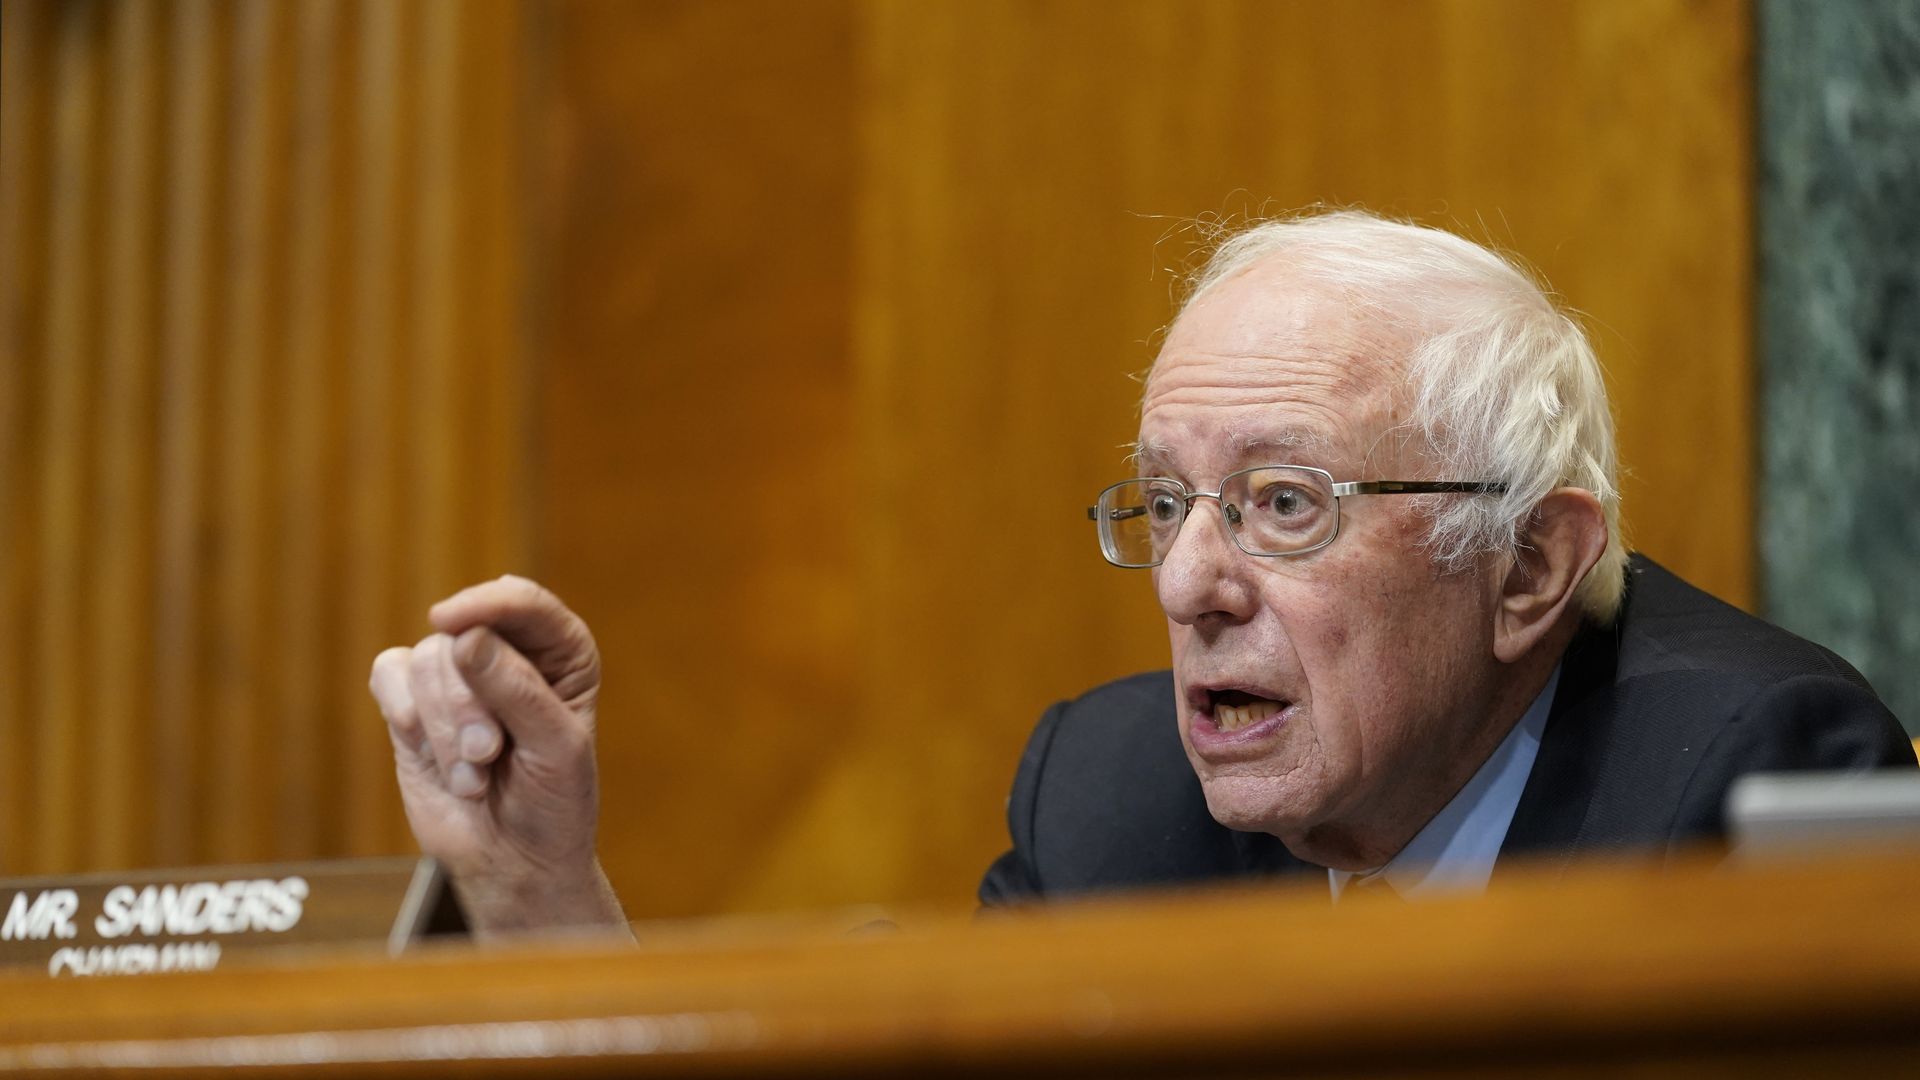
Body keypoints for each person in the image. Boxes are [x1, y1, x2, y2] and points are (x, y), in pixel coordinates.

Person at [367, 210, 1914, 933]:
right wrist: (540, 890)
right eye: (1165, 503)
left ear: (1525, 569)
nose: (1188, 584)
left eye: (1281, 504)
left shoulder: (1737, 781)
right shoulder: (1108, 802)